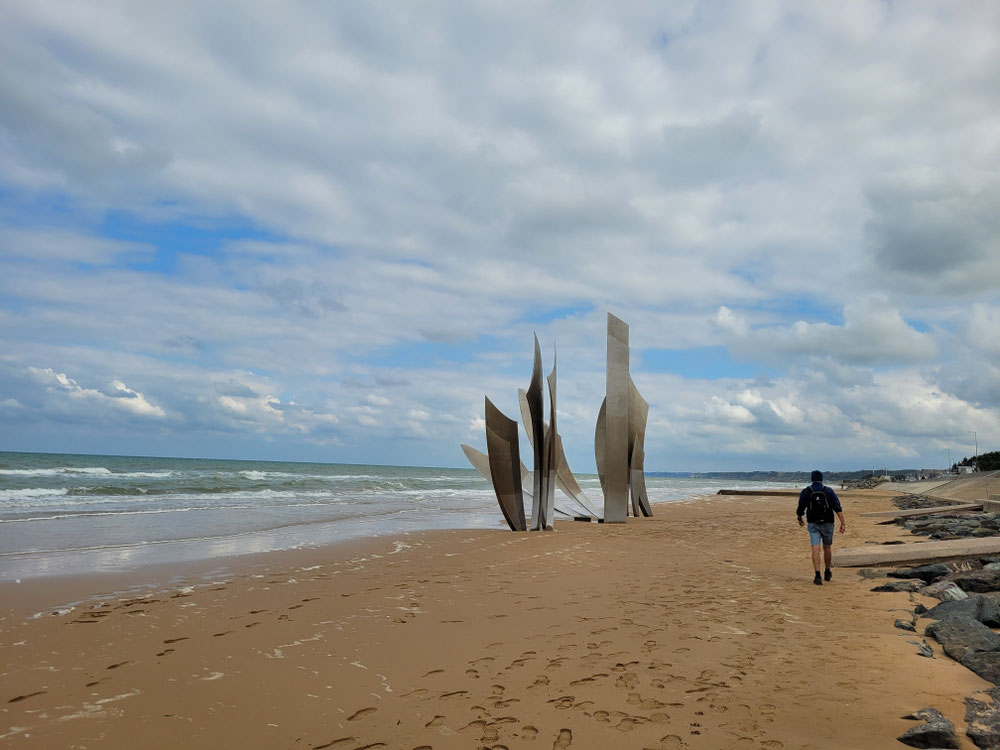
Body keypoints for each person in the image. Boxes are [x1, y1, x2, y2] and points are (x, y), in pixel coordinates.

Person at [796, 470, 846, 585]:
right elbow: (837, 507)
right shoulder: (828, 491)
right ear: (822, 479)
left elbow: (800, 508)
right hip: (828, 522)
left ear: (811, 479)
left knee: (815, 548)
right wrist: (843, 523)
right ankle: (827, 571)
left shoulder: (806, 491)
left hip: (813, 523)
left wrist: (800, 518)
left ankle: (817, 575)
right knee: (827, 548)